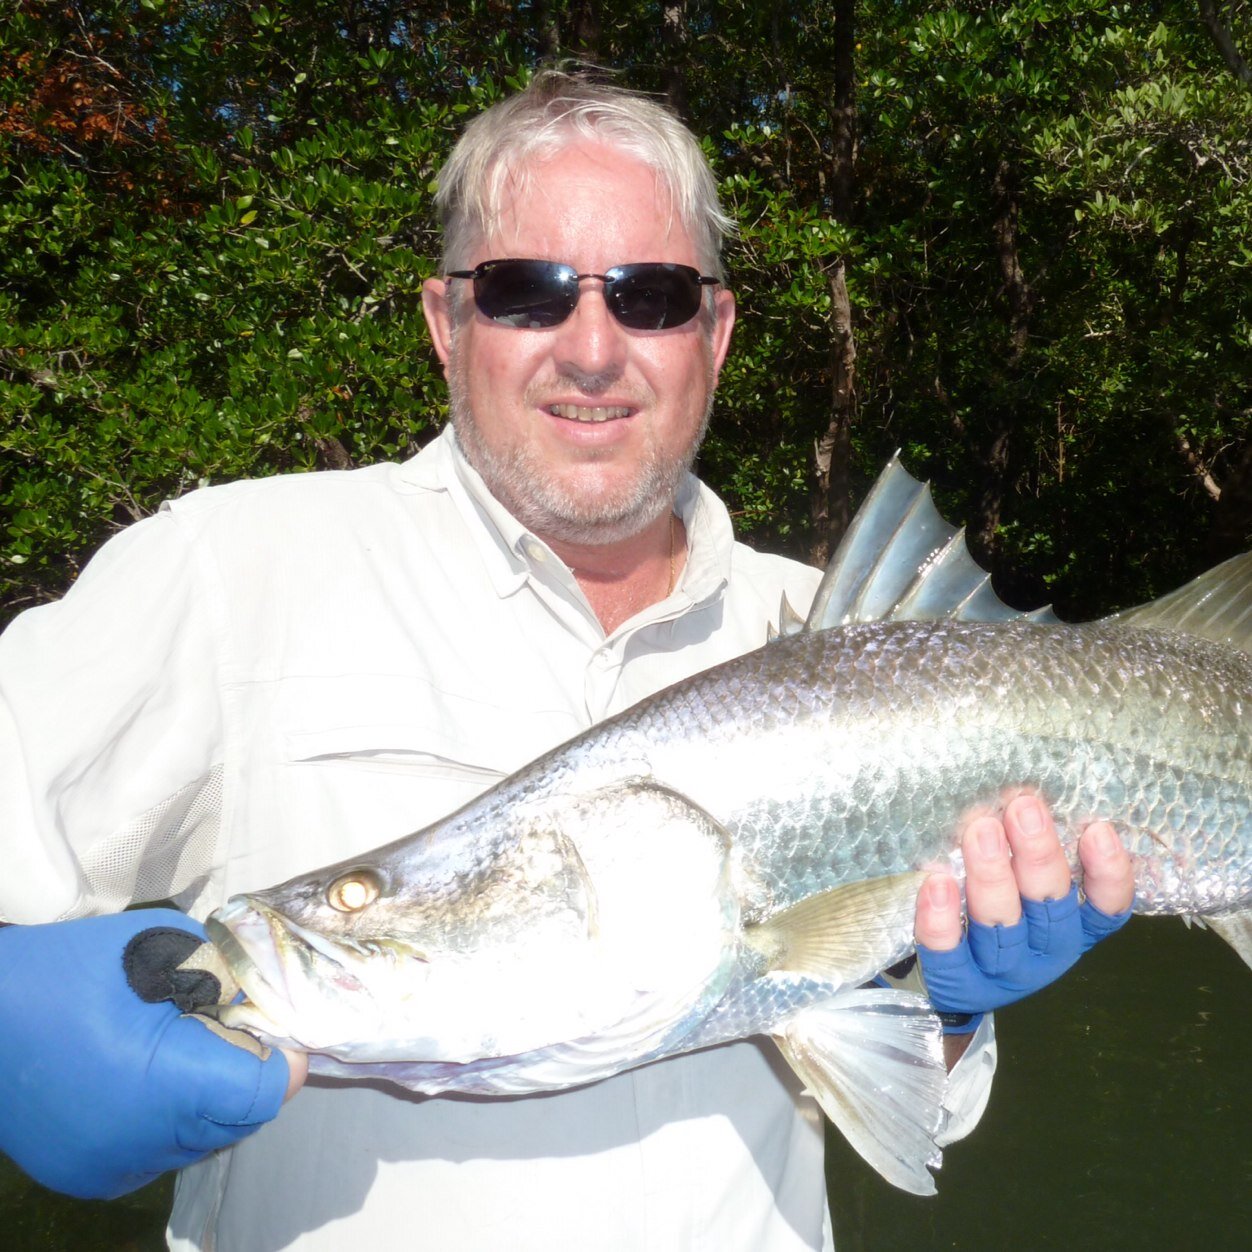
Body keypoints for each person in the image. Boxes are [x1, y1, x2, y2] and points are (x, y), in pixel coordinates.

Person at [0, 71, 1134, 1250]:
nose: (592, 348)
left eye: (650, 296)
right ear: (446, 324)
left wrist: (943, 1011)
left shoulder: (836, 634)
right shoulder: (229, 568)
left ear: (715, 331)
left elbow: (920, 1103)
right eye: (525, 292)